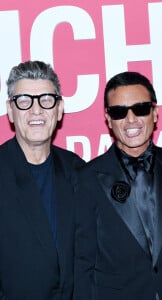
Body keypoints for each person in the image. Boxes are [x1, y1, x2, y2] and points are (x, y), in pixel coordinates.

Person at [74, 71, 162, 299]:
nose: (131, 120)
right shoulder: (86, 178)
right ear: (108, 119)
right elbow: (82, 262)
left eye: (140, 109)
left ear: (155, 113)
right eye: (119, 112)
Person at [0, 60, 85, 299]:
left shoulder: (77, 170)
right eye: (24, 101)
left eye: (46, 99)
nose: (36, 110)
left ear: (59, 109)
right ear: (10, 109)